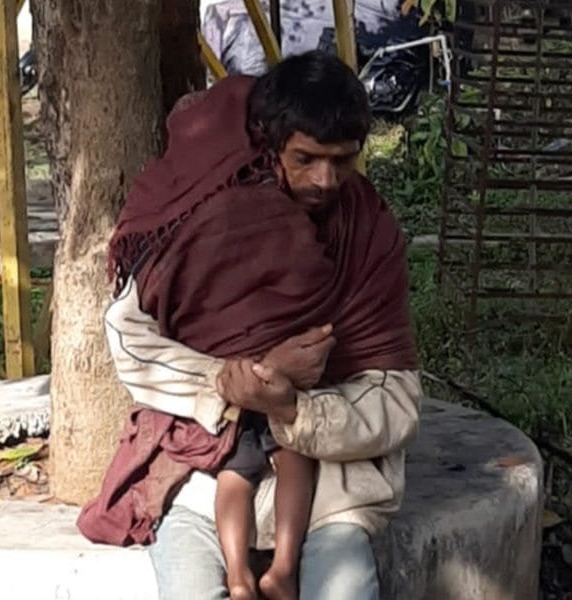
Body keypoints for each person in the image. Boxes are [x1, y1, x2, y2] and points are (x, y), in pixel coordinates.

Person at [77, 51, 423, 600]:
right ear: (271, 144)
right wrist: (235, 381)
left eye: (343, 161)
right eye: (305, 158)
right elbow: (130, 342)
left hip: (330, 489)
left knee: (346, 589)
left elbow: (397, 400)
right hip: (201, 474)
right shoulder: (203, 217)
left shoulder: (369, 235)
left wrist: (293, 408)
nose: (325, 179)